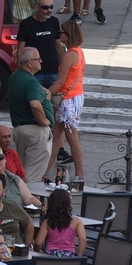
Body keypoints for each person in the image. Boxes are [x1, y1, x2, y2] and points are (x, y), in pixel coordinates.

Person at [45, 20, 87, 181]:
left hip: (68, 99)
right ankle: (46, 172)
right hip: (74, 96)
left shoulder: (69, 55)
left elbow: (60, 81)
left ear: (68, 36)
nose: (60, 34)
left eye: (62, 32)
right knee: (57, 136)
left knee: (71, 137)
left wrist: (47, 93)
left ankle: (80, 175)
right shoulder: (78, 52)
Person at [8, 47, 55, 182]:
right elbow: (34, 104)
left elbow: (26, 90)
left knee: (23, 173)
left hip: (20, 129)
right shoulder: (30, 82)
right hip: (35, 132)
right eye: (37, 59)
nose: (41, 61)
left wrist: (43, 90)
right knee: (32, 178)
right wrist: (44, 121)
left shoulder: (15, 77)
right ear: (29, 63)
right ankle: (29, 202)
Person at [15, 0, 61, 94]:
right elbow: (20, 50)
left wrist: (61, 66)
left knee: (54, 104)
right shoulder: (26, 24)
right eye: (45, 7)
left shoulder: (54, 21)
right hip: (35, 73)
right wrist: (20, 71)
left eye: (51, 7)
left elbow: (59, 46)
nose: (49, 10)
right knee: (35, 101)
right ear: (37, 7)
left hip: (53, 71)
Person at [34, 189, 87, 257]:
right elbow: (83, 239)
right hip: (68, 258)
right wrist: (79, 257)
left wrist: (38, 252)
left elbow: (38, 243)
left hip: (50, 258)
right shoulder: (76, 221)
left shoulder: (47, 222)